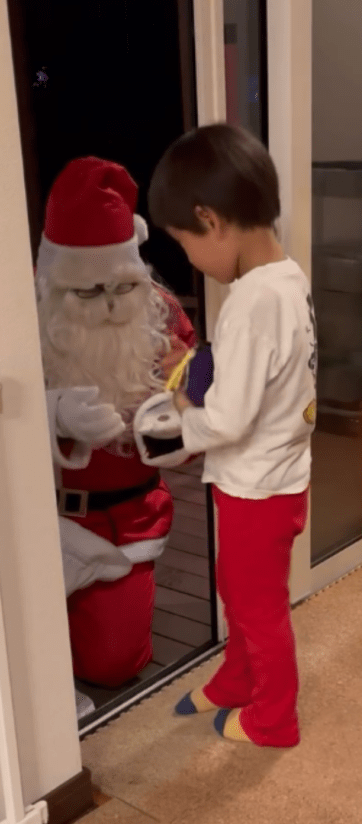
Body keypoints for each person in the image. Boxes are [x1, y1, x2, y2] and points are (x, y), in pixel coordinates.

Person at [148, 123, 317, 748]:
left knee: (257, 607)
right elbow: (261, 376)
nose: (190, 259)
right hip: (274, 479)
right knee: (239, 592)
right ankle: (237, 678)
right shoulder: (287, 278)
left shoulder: (251, 302)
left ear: (211, 221)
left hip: (256, 485)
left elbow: (227, 419)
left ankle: (275, 718)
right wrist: (196, 368)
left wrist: (175, 418)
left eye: (184, 243)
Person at [37, 156, 197, 696]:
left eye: (123, 288)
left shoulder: (162, 314)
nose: (108, 305)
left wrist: (177, 423)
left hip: (129, 521)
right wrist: (53, 414)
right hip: (39, 522)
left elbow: (198, 394)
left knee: (112, 665)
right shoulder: (25, 319)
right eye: (87, 291)